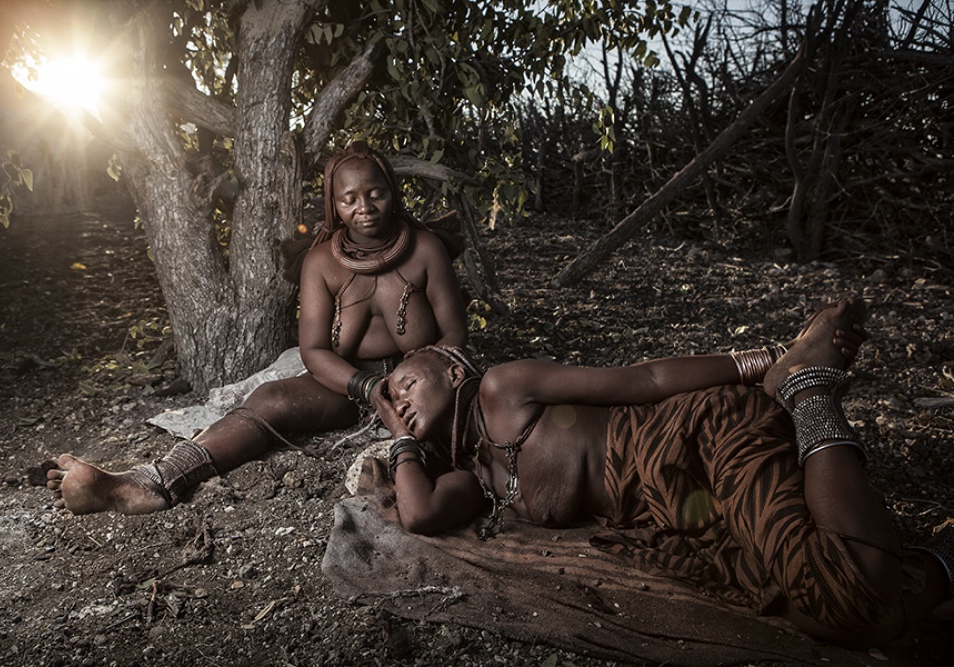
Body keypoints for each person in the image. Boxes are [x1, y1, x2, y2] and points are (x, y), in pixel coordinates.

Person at [370, 296, 952, 647]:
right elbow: (419, 513)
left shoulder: (504, 388)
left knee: (848, 595)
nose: (400, 403)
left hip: (698, 438)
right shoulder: (478, 477)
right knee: (831, 618)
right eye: (394, 405)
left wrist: (769, 359)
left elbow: (645, 379)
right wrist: (400, 437)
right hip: (678, 514)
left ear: (452, 370)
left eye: (406, 385)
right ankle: (940, 565)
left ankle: (807, 387)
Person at [47, 141, 469, 515]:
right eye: (350, 199)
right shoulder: (321, 262)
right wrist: (368, 387)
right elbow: (314, 351)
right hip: (348, 383)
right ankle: (147, 482)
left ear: (392, 192)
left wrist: (411, 384)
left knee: (466, 426)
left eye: (376, 194)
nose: (365, 207)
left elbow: (454, 336)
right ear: (334, 205)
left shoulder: (426, 249)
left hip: (419, 382)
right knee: (268, 399)